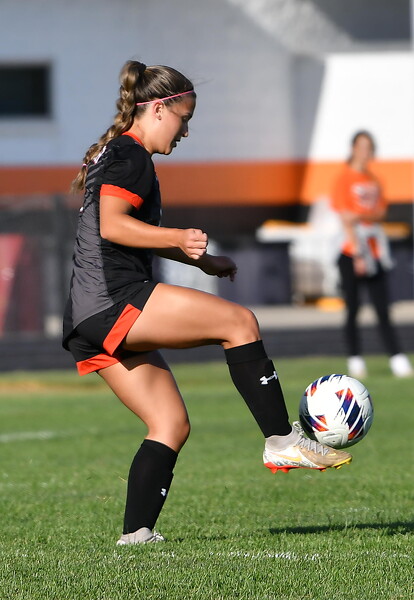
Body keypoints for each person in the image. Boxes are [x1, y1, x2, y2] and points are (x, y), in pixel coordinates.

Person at [63, 59, 352, 546]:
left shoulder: (118, 152)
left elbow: (126, 232)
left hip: (86, 314)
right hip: (113, 301)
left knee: (169, 423)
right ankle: (282, 440)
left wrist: (203, 261)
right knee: (239, 322)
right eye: (184, 118)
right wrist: (177, 235)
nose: (186, 131)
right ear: (158, 109)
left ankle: (136, 535)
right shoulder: (131, 155)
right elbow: (113, 226)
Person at [331, 130, 413, 379]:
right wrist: (357, 253)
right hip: (351, 252)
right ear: (353, 149)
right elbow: (346, 218)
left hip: (375, 251)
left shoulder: (374, 179)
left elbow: (380, 213)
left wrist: (361, 215)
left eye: (369, 147)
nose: (366, 152)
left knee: (382, 308)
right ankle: (355, 359)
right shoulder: (344, 179)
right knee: (353, 308)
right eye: (362, 147)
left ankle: (397, 358)